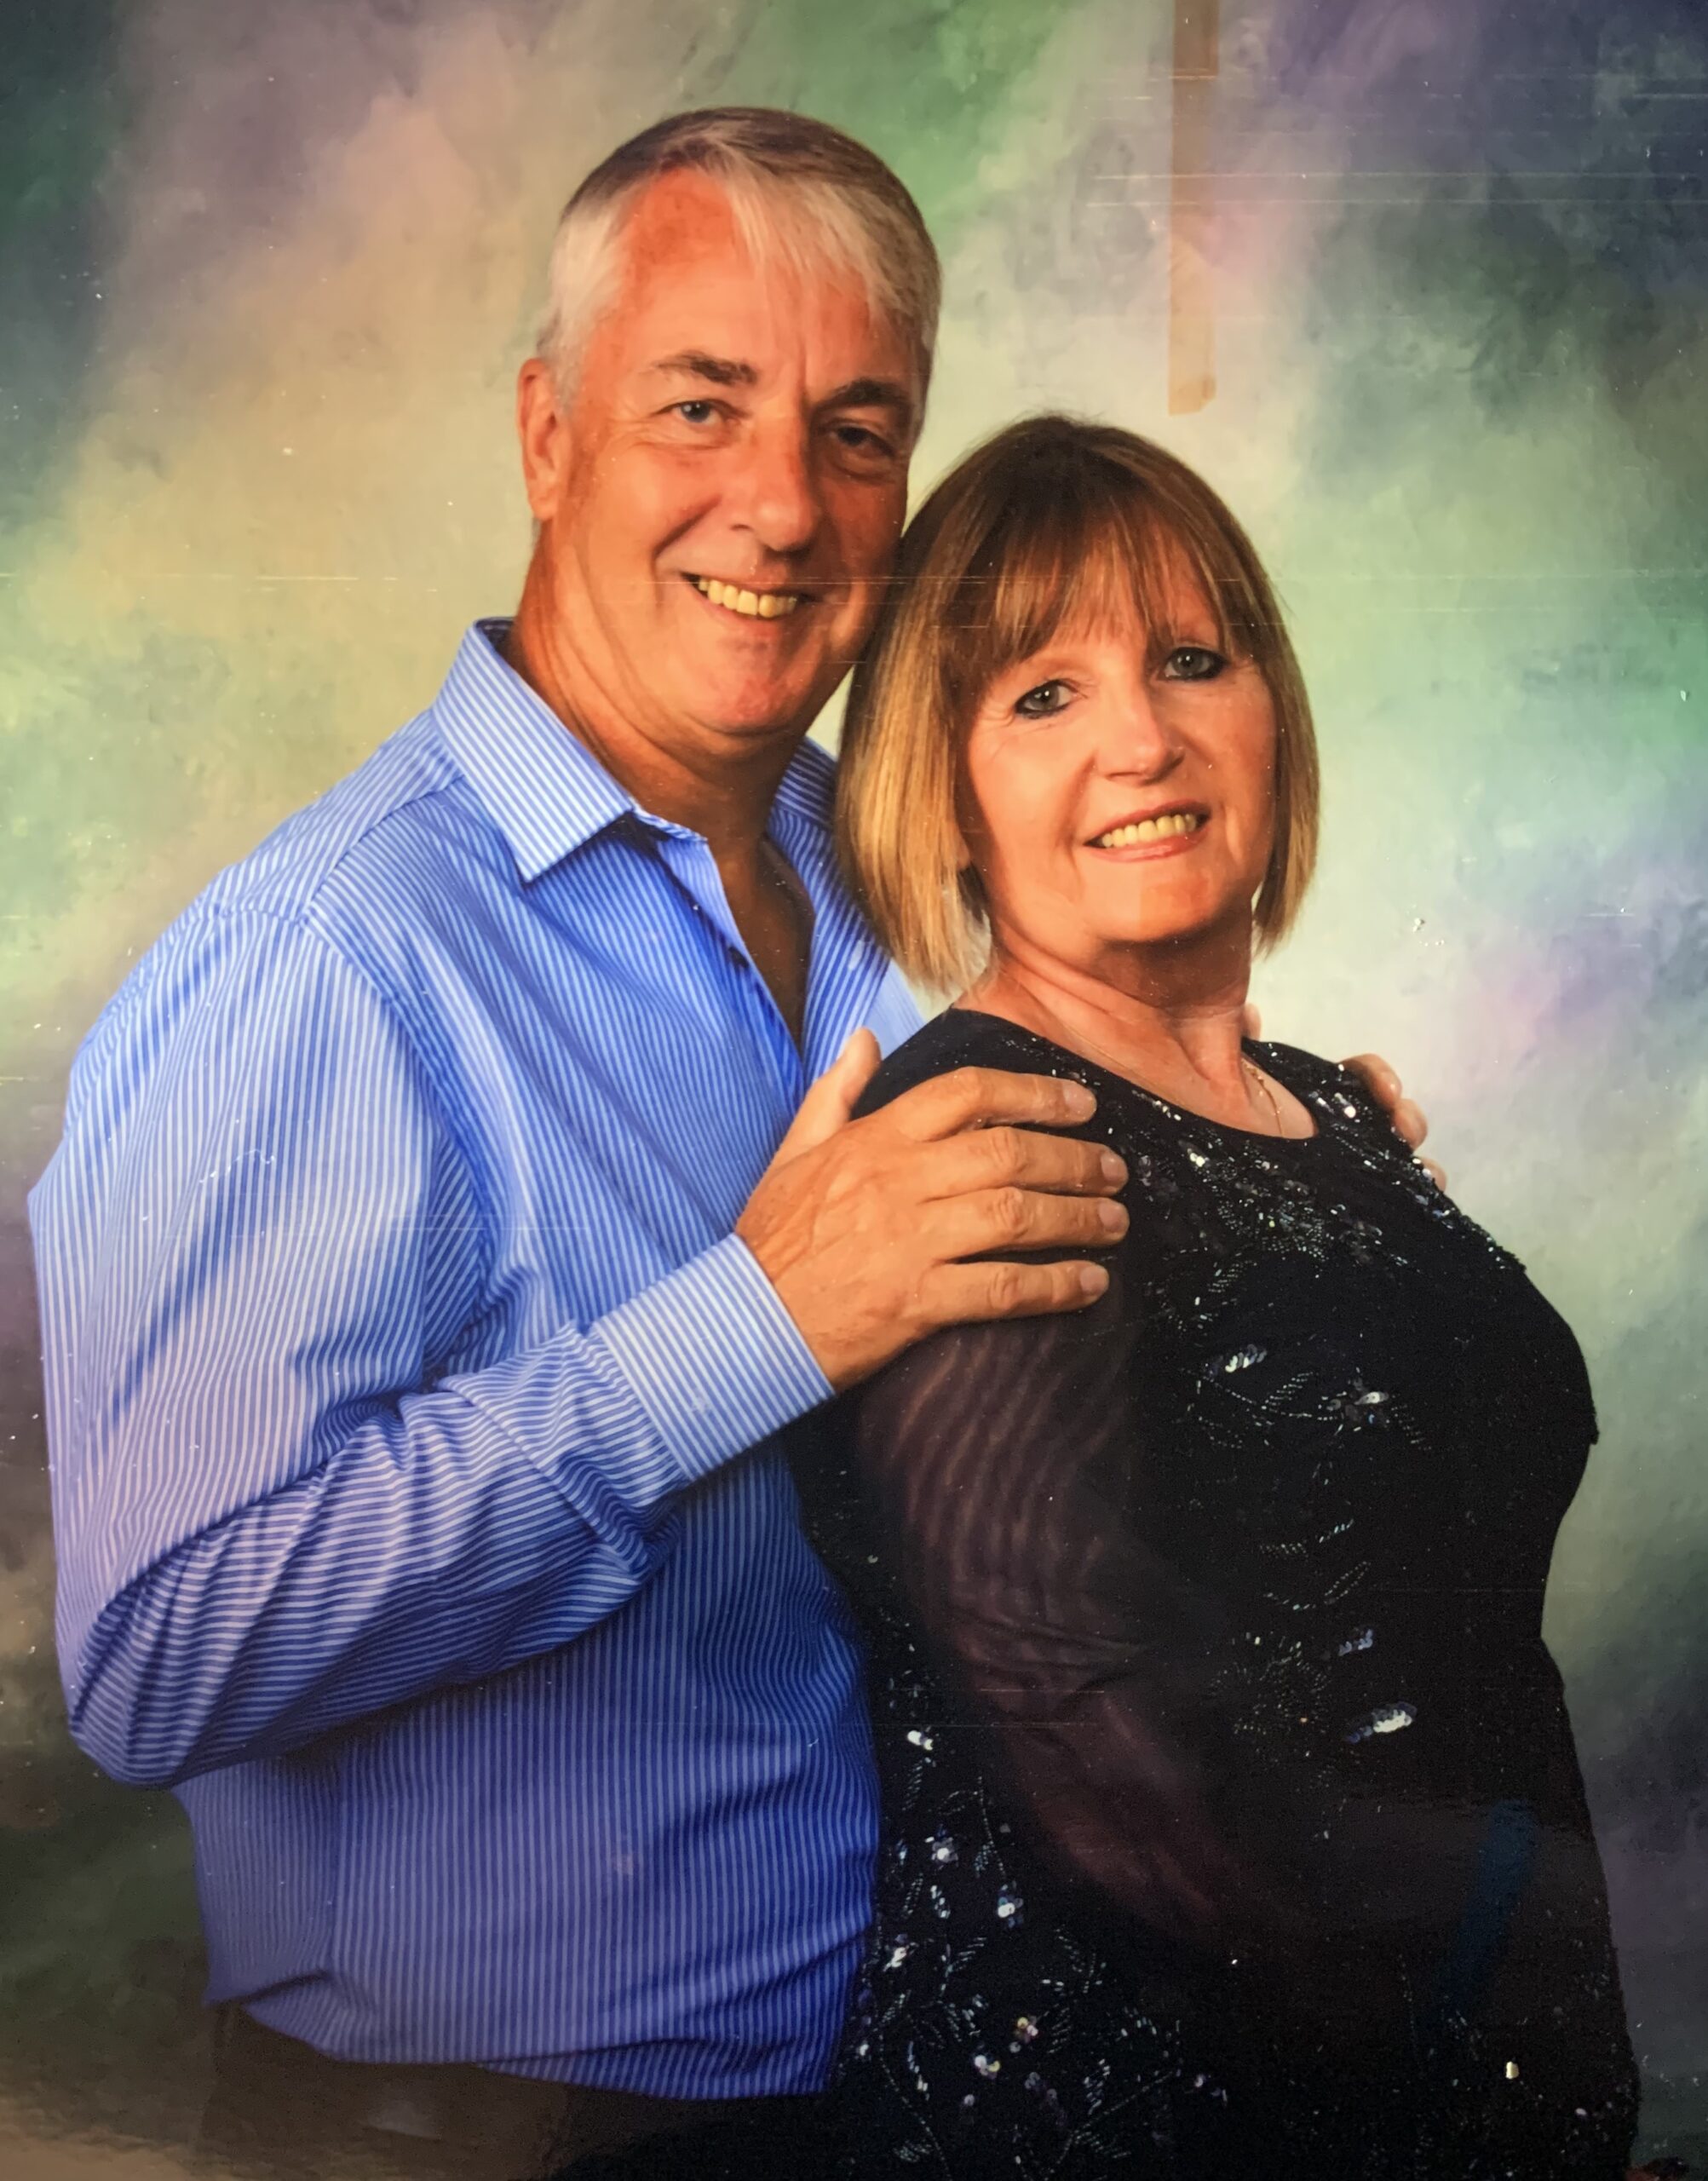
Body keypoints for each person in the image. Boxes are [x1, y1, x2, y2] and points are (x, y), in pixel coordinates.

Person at [28, 114, 1429, 2181]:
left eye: (858, 432)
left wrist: (1290, 1168)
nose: (782, 504)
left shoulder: (892, 870)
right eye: (703, 404)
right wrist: (747, 1326)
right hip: (490, 2139)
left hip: (908, 2099)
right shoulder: (327, 955)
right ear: (548, 434)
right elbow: (161, 1653)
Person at [802, 414, 1641, 2179]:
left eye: (1192, 659)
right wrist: (1539, 1948)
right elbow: (1120, 1775)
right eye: (1043, 694)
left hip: (1456, 2081)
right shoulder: (980, 1142)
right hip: (1144, 2123)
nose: (1142, 738)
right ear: (941, 787)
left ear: (1273, 713)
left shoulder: (1330, 1107)